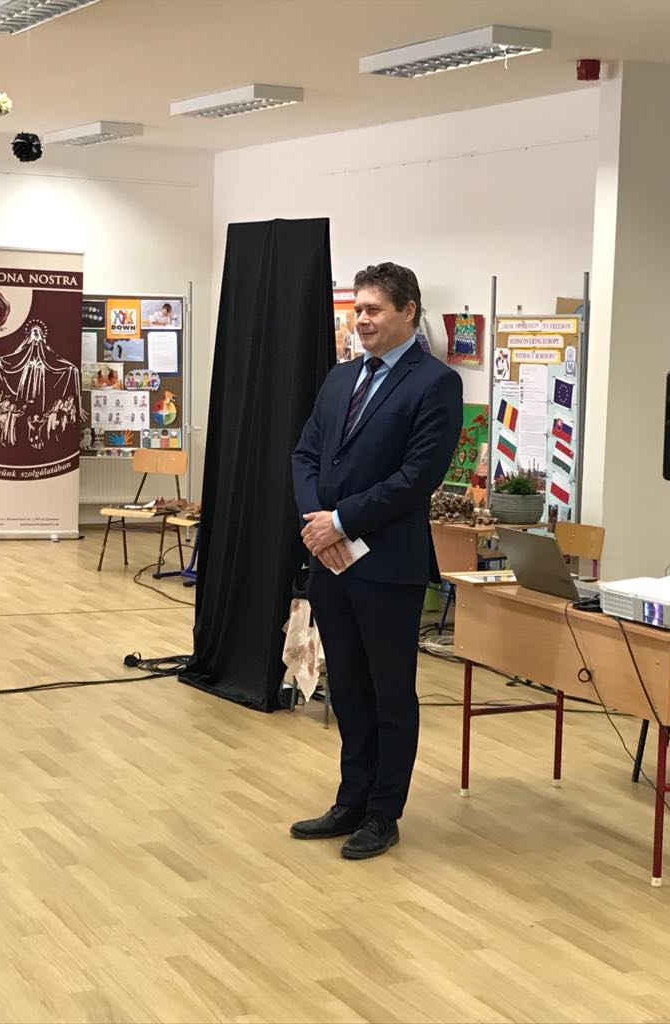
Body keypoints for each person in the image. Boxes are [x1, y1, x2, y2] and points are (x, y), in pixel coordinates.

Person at [291, 262, 463, 860]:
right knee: (348, 688)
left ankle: (383, 813)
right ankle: (351, 799)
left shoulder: (435, 383)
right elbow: (305, 454)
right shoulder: (341, 378)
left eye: (373, 310)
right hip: (330, 562)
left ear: (408, 311)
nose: (361, 320)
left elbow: (416, 478)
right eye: (357, 310)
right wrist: (318, 523)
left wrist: (341, 522)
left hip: (388, 566)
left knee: (390, 693)